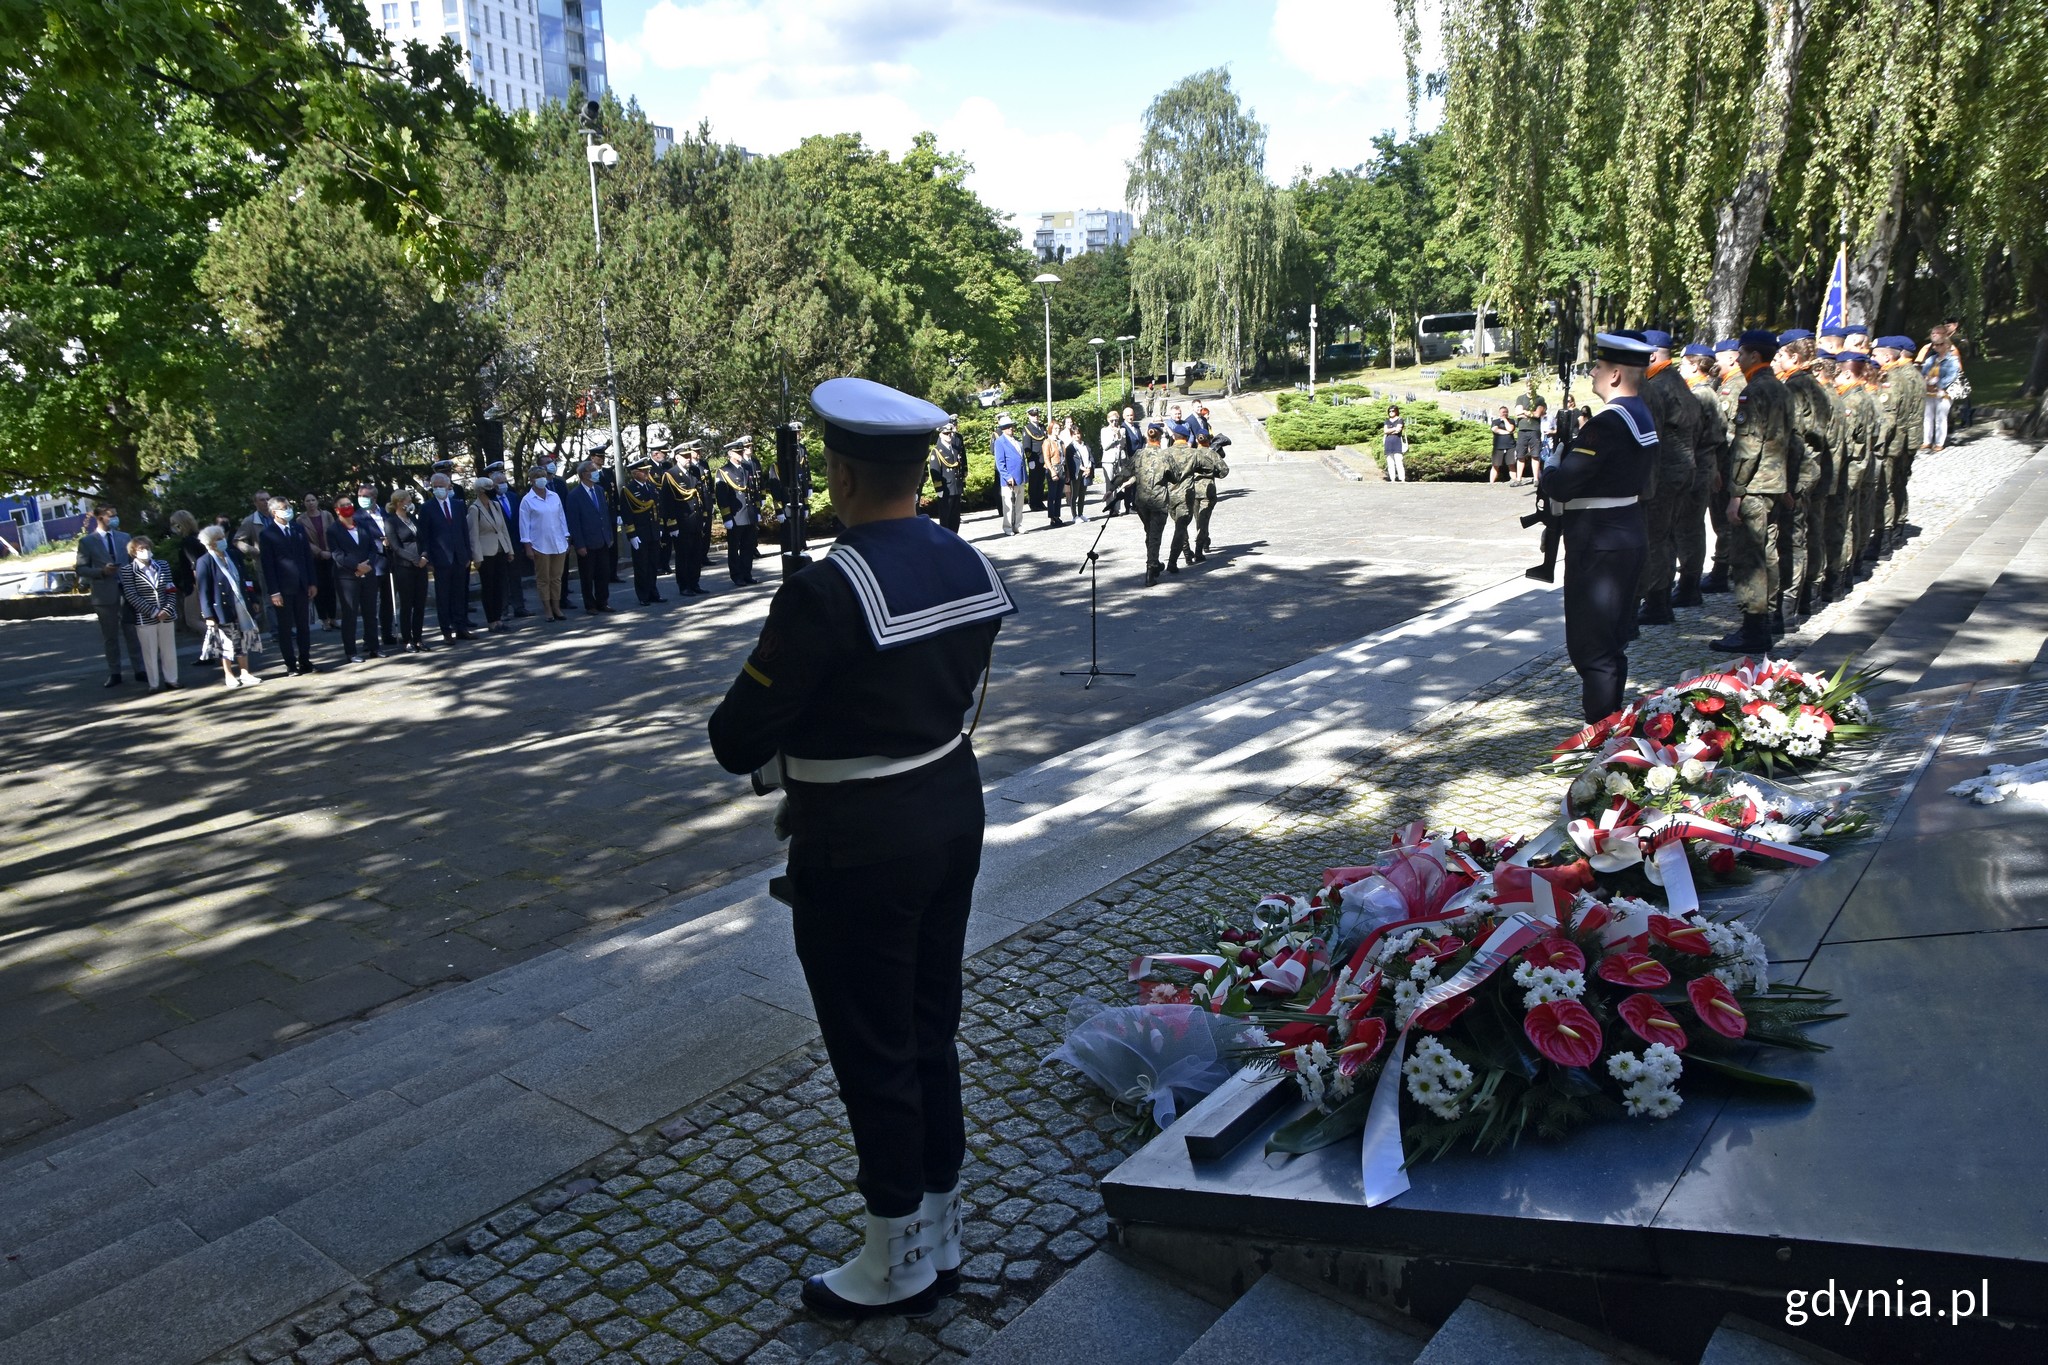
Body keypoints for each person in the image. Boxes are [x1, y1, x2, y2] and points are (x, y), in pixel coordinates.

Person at [708, 376, 1015, 1322]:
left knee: (870, 1041)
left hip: (859, 840)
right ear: (918, 470)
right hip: (950, 809)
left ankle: (893, 1261)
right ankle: (941, 1226)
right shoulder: (965, 559)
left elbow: (735, 738)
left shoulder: (826, 588)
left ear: (840, 475)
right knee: (929, 1026)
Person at [1538, 332, 1656, 722]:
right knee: (1613, 641)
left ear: (1617, 374)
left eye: (1599, 366)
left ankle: (1601, 735)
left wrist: (1552, 461)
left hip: (1599, 544)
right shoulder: (1640, 411)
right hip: (1625, 533)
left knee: (1592, 649)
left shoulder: (1607, 423)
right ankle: (1612, 722)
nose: (1592, 371)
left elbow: (1563, 483)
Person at [1712, 330, 1796, 654]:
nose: (1738, 359)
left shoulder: (1754, 391)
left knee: (1750, 559)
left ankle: (1753, 629)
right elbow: (1791, 439)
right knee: (1769, 554)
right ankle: (1767, 620)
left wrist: (1736, 493)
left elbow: (1748, 446)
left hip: (1755, 487)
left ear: (1754, 357)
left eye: (1742, 353)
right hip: (1774, 484)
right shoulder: (1781, 389)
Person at [1634, 329, 1701, 628]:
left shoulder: (1658, 386)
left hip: (1663, 474)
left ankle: (1657, 602)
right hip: (1682, 469)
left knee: (1655, 538)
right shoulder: (1676, 380)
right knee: (1667, 535)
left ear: (1651, 355)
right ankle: (1660, 597)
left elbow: (1650, 436)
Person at [1774, 329, 1833, 625]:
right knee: (1802, 535)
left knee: (1791, 540)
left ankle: (1787, 607)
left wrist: (1787, 482)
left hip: (1797, 474)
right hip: (1809, 471)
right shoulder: (1812, 384)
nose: (1777, 359)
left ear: (1794, 357)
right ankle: (1804, 597)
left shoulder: (1796, 387)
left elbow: (1794, 439)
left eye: (1781, 355)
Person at [1677, 344, 1728, 607]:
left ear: (1696, 365)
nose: (1680, 368)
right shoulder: (1699, 391)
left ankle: (1688, 585)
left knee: (1690, 528)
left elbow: (1710, 435)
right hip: (1700, 464)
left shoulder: (1701, 394)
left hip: (1697, 466)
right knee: (1688, 527)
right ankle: (1688, 582)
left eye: (1684, 364)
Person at [76, 506, 145, 688]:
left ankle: (140, 669)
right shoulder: (87, 542)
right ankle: (115, 673)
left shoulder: (125, 537)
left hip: (127, 591)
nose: (115, 518)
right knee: (110, 636)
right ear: (99, 518)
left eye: (116, 515)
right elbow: (81, 569)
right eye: (111, 516)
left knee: (132, 632)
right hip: (104, 594)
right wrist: (101, 571)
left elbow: (134, 562)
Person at [194, 523, 264, 688]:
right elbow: (203, 590)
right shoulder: (204, 561)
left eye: (222, 538)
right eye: (218, 539)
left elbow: (245, 578)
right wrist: (208, 615)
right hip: (221, 606)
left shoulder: (233, 555)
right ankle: (229, 674)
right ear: (210, 543)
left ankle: (245, 672)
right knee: (226, 641)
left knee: (243, 638)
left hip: (241, 603)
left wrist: (253, 599)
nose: (222, 541)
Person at [258, 496, 319, 675]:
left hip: (301, 585)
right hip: (282, 589)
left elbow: (307, 557)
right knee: (285, 628)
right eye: (285, 508)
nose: (288, 510)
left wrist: (311, 582)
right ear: (274, 512)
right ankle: (291, 664)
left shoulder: (297, 529)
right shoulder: (267, 534)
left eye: (289, 506)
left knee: (303, 626)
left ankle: (305, 660)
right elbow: (268, 565)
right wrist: (274, 591)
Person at [1874, 335, 1922, 549]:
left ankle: (1886, 536)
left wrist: (1878, 444)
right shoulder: (1914, 374)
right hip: (1908, 439)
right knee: (1899, 485)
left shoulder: (1893, 378)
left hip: (1894, 442)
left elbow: (1890, 416)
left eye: (1875, 354)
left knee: (1887, 488)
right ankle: (1897, 527)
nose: (1872, 358)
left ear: (1887, 355)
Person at [327, 496, 387, 663]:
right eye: (343, 505)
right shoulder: (333, 530)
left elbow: (373, 548)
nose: (347, 507)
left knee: (370, 612)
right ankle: (351, 652)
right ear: (336, 509)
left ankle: (374, 647)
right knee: (350, 614)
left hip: (368, 573)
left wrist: (367, 565)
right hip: (347, 577)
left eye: (349, 504)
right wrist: (356, 567)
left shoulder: (362, 525)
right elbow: (337, 554)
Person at [418, 473, 476, 642]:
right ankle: (446, 631)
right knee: (443, 597)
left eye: (441, 486)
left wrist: (467, 554)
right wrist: (428, 558)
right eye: (435, 486)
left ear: (449, 486)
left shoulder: (458, 505)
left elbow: (464, 531)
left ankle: (461, 627)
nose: (438, 489)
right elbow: (424, 536)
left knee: (460, 594)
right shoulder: (427, 508)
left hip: (460, 557)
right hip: (440, 559)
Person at [118, 535, 181, 692]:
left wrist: (167, 609)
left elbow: (171, 589)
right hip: (145, 618)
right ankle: (153, 683)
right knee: (149, 652)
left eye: (147, 547)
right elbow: (131, 595)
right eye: (141, 549)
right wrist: (153, 612)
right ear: (133, 552)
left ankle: (172, 680)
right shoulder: (128, 570)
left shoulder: (163, 565)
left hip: (167, 615)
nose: (145, 551)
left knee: (169, 650)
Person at [518, 466, 571, 621]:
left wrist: (566, 537)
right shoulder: (527, 500)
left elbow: (562, 518)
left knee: (556, 577)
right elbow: (524, 525)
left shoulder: (554, 496)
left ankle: (556, 607)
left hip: (558, 542)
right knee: (543, 579)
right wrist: (527, 546)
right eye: (537, 476)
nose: (542, 479)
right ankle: (547, 609)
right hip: (539, 544)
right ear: (531, 480)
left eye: (543, 475)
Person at [353, 479, 400, 647]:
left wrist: (391, 540)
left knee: (388, 601)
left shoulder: (386, 513)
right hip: (371, 562)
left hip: (389, 562)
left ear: (374, 497)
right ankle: (369, 638)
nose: (362, 498)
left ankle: (387, 634)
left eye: (366, 496)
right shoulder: (357, 517)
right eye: (360, 495)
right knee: (370, 603)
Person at [565, 458, 617, 612]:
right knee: (587, 576)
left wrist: (609, 536)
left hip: (602, 540)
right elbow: (574, 522)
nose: (596, 473)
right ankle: (590, 604)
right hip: (586, 543)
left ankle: (603, 601)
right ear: (584, 475)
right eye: (592, 470)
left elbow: (604, 515)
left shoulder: (599, 490)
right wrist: (579, 544)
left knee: (603, 573)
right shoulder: (574, 495)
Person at [466, 476, 516, 628]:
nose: (493, 490)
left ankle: (499, 618)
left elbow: (503, 529)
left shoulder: (495, 505)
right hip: (486, 553)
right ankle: (492, 620)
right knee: (489, 588)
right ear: (481, 491)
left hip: (500, 550)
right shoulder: (474, 509)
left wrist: (510, 550)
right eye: (489, 488)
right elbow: (473, 535)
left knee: (500, 585)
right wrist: (477, 558)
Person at [484, 463, 533, 620]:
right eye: (500, 483)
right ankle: (503, 609)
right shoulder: (490, 502)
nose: (503, 485)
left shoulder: (513, 497)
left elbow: (521, 520)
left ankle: (519, 606)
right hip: (500, 546)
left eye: (505, 481)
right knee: (501, 579)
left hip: (515, 543)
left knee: (515, 577)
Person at [385, 490, 432, 650]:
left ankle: (418, 638)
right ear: (399, 502)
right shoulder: (391, 522)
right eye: (408, 499)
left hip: (421, 566)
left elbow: (424, 539)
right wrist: (415, 559)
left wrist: (424, 556)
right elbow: (396, 547)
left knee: (420, 603)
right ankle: (407, 639)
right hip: (404, 568)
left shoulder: (412, 518)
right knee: (407, 604)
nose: (410, 502)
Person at [1134, 420, 1179, 586]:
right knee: (1154, 536)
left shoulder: (1139, 454)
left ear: (1147, 437)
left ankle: (1155, 562)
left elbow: (1125, 472)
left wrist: (1112, 489)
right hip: (1158, 501)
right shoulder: (1165, 455)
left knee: (1150, 533)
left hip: (1141, 502)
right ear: (1160, 438)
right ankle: (1151, 570)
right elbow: (1176, 477)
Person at [622, 457, 666, 605]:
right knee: (641, 566)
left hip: (653, 531)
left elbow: (657, 509)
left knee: (653, 564)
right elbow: (627, 514)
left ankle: (654, 592)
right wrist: (631, 534)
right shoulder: (629, 490)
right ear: (635, 473)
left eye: (647, 470)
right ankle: (643, 595)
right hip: (640, 533)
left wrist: (659, 527)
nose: (647, 472)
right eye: (643, 471)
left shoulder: (651, 487)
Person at [1917, 319, 1962, 455]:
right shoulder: (1931, 359)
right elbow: (1924, 372)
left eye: (1940, 344)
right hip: (1929, 391)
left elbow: (1951, 376)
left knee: (1941, 417)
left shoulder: (1952, 360)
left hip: (1943, 392)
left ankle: (1939, 442)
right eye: (1935, 345)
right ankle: (1927, 441)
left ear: (1946, 345)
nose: (1936, 347)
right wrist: (1926, 382)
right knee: (1927, 416)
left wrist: (1938, 385)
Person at [300, 493, 339, 632]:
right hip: (314, 558)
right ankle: (324, 620)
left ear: (317, 501)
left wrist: (330, 551)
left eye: (313, 500)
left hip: (330, 555)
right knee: (319, 588)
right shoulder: (301, 520)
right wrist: (319, 551)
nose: (310, 503)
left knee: (331, 587)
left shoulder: (327, 515)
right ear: (304, 503)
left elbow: (335, 532)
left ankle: (334, 618)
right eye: (307, 500)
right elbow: (304, 541)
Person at [167, 510, 203, 634]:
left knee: (192, 620)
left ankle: (220, 637)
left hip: (193, 585)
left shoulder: (188, 542)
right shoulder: (198, 538)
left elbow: (195, 565)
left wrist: (197, 587)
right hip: (198, 584)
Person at [927, 419, 966, 533]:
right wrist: (939, 488)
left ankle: (955, 536)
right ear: (940, 434)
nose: (948, 436)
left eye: (949, 433)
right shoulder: (937, 451)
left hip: (956, 487)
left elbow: (960, 465)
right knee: (945, 517)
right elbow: (935, 472)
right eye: (945, 433)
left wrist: (962, 483)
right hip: (946, 489)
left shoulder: (955, 449)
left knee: (955, 517)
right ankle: (946, 538)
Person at [992, 414, 1025, 535]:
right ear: (1002, 429)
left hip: (1020, 476)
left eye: (1011, 426)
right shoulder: (1000, 442)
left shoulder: (1017, 440)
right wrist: (1007, 476)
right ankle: (1007, 527)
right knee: (1009, 506)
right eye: (1007, 427)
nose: (1010, 428)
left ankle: (1018, 524)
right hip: (1009, 479)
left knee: (1019, 503)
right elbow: (1000, 463)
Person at [1064, 417, 1093, 524]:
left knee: (1082, 495)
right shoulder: (1070, 448)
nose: (1077, 436)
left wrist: (1089, 468)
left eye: (1078, 433)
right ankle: (1074, 515)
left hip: (1086, 472)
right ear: (1072, 435)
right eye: (1075, 434)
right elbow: (1071, 462)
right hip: (1076, 473)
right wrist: (1082, 468)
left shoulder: (1085, 445)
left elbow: (1090, 457)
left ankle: (1081, 513)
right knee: (1074, 495)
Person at [1022, 407, 1049, 511]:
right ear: (1029, 416)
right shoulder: (1027, 428)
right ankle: (1033, 503)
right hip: (1034, 459)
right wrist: (1030, 460)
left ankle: (1039, 501)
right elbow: (1027, 446)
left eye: (1037, 415)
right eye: (1033, 415)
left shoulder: (1042, 427)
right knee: (1034, 482)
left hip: (1043, 458)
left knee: (1041, 481)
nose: (1036, 417)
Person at [1382, 405, 1408, 482]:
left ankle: (1402, 478)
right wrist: (1394, 428)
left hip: (1397, 443)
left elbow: (1398, 430)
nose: (1391, 412)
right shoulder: (1387, 420)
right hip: (1388, 443)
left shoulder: (1400, 420)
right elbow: (1385, 431)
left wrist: (1390, 430)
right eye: (1389, 411)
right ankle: (1392, 479)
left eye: (1393, 411)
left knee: (1399, 461)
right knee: (1390, 462)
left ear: (1396, 411)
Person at [1489, 406, 1514, 484]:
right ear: (1499, 413)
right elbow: (1495, 430)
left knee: (1511, 464)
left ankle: (1515, 480)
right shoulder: (1495, 421)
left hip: (1510, 445)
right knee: (1495, 465)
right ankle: (1491, 482)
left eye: (1506, 412)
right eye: (1503, 412)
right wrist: (1507, 433)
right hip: (1498, 446)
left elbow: (1510, 428)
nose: (1505, 413)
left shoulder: (1511, 421)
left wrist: (1505, 420)